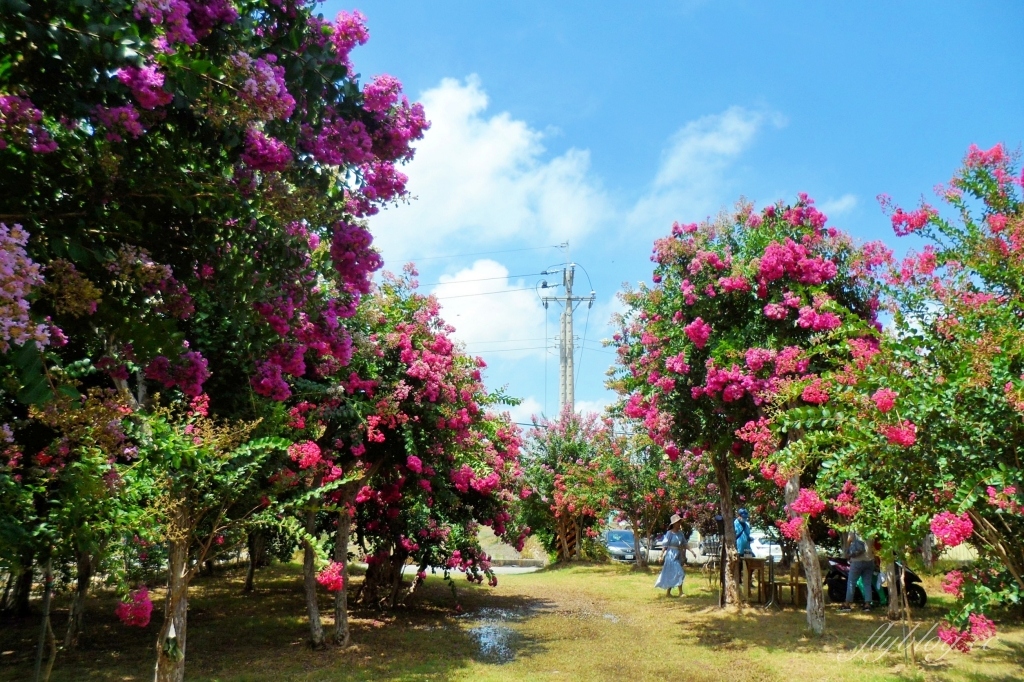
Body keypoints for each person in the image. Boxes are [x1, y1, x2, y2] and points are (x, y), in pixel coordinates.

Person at [840, 530, 875, 612]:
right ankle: (867, 605)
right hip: (869, 560)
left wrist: (848, 552)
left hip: (856, 560)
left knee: (851, 582)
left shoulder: (855, 529)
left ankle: (847, 604)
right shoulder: (871, 529)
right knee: (867, 583)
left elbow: (848, 541)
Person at [655, 514, 688, 597]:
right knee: (679, 572)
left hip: (677, 555)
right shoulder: (669, 533)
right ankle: (680, 592)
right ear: (673, 524)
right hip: (670, 556)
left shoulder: (680, 534)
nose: (679, 524)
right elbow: (665, 546)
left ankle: (668, 593)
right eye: (677, 523)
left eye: (679, 522)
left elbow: (685, 543)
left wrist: (692, 551)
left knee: (673, 573)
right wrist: (661, 555)